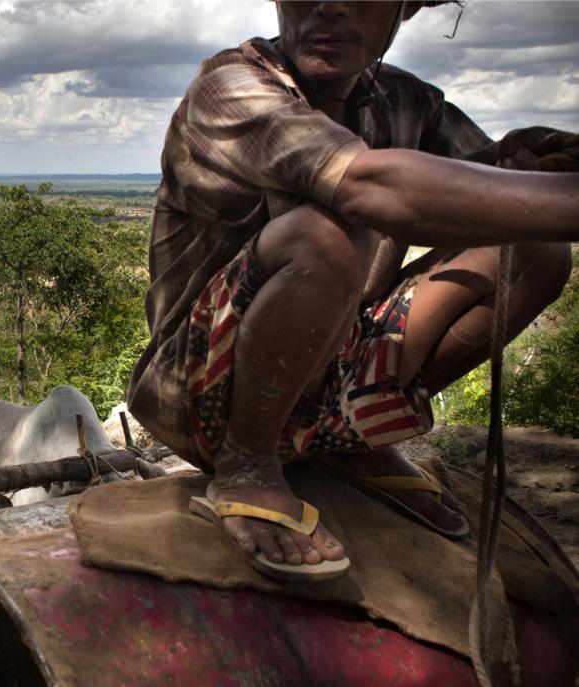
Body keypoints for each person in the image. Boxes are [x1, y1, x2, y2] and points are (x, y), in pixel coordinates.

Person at [127, 1, 578, 579]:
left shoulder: (408, 101)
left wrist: (517, 162)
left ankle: (354, 439)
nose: (331, 7)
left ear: (406, 8)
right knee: (332, 231)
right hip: (201, 392)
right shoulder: (229, 88)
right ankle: (247, 463)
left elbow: (477, 188)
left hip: (325, 373)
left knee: (536, 251)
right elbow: (372, 186)